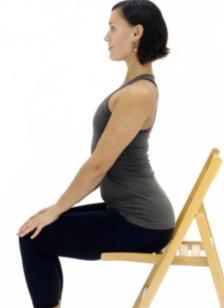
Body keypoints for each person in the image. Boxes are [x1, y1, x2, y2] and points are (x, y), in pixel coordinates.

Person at [17, 1, 175, 307]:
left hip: (142, 222)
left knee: (34, 236)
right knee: (37, 230)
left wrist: (57, 209)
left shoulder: (139, 93)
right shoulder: (134, 87)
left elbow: (99, 164)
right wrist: (55, 209)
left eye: (113, 28)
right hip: (129, 213)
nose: (106, 37)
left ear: (136, 33)